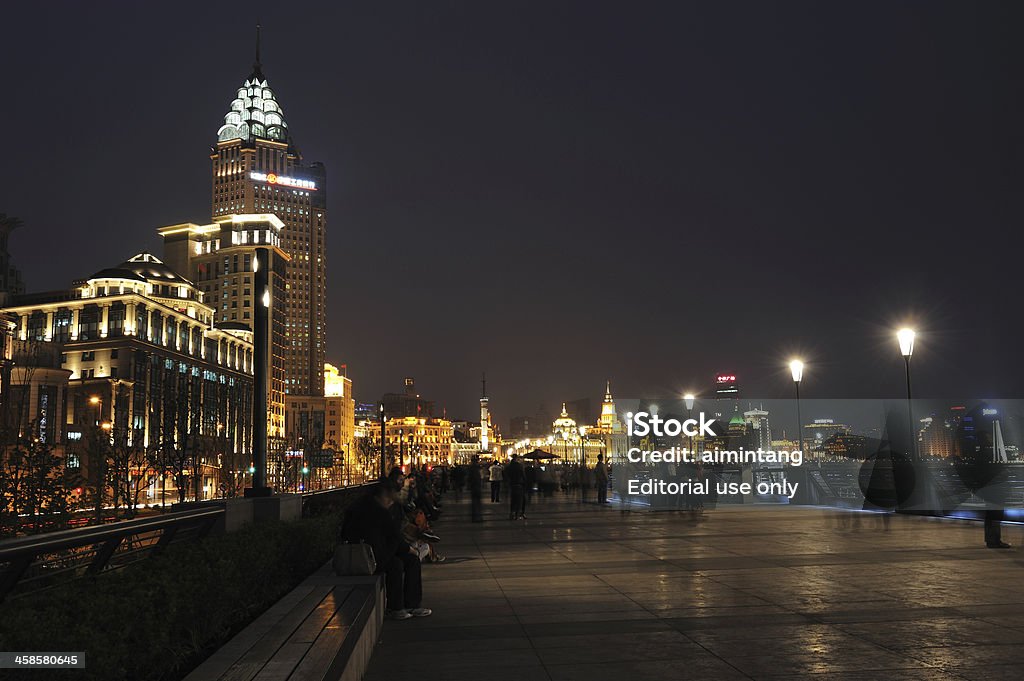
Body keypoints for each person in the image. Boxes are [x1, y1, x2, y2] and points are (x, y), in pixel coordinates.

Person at [340, 479, 432, 620]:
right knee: (402, 563)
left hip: (364, 553)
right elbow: (393, 536)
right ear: (382, 495)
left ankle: (401, 607)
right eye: (389, 499)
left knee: (401, 561)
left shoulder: (359, 506)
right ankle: (403, 606)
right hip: (372, 557)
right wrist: (409, 549)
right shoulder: (379, 511)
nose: (390, 502)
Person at [504, 454, 526, 519]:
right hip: (519, 484)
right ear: (517, 458)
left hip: (512, 484)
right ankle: (517, 514)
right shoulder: (519, 466)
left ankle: (512, 513)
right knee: (519, 500)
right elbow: (523, 475)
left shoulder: (509, 466)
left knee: (513, 499)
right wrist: (524, 482)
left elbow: (505, 474)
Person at [468, 455, 484, 522]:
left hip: (474, 487)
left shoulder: (471, 468)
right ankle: (477, 517)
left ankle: (475, 516)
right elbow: (476, 478)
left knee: (475, 502)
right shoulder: (475, 469)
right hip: (476, 487)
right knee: (477, 502)